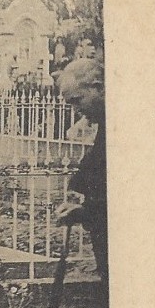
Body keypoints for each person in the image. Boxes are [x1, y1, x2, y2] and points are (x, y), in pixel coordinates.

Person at [56, 58, 108, 287]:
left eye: (78, 100)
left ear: (99, 87)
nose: (76, 110)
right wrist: (76, 186)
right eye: (71, 104)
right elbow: (97, 157)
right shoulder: (107, 121)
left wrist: (88, 209)